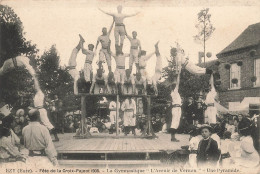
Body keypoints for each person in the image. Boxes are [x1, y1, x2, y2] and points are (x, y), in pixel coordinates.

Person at [169, 68, 182, 142]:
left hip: (177, 108)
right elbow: (177, 82)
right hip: (176, 108)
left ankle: (173, 137)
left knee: (176, 122)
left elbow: (176, 83)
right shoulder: (174, 92)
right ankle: (172, 137)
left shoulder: (174, 92)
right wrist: (178, 75)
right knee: (174, 123)